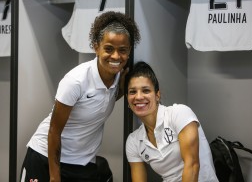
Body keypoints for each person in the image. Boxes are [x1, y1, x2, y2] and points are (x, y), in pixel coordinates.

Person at [20, 11, 140, 182]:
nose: (115, 56)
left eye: (122, 50)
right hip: (46, 158)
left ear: (129, 51)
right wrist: (54, 177)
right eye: (108, 49)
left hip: (82, 163)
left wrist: (122, 91)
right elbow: (54, 131)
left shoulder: (120, 78)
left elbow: (103, 100)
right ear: (96, 47)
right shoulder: (76, 81)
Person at [125, 61, 219, 182]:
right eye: (132, 92)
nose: (138, 97)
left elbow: (192, 166)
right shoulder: (133, 141)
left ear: (157, 95)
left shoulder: (179, 114)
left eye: (146, 90)